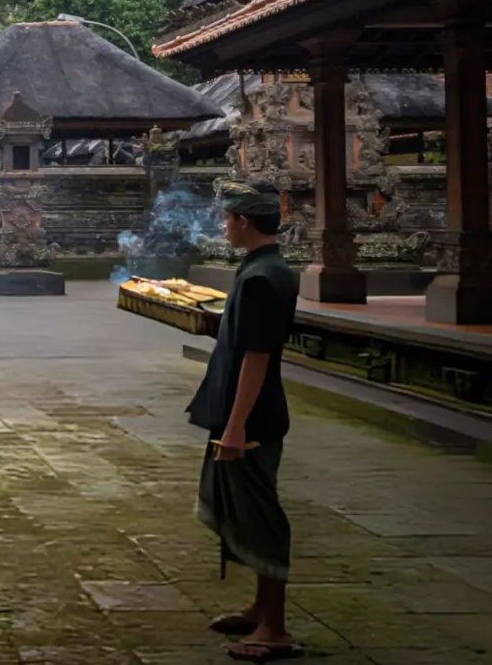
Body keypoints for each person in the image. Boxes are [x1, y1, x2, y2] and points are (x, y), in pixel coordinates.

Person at [188, 179, 303, 662]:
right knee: (244, 507)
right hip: (246, 408)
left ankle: (274, 629)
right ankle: (260, 607)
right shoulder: (266, 269)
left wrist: (235, 426)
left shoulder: (261, 278)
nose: (224, 226)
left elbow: (256, 356)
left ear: (245, 223)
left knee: (260, 517)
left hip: (251, 415)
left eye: (229, 219)